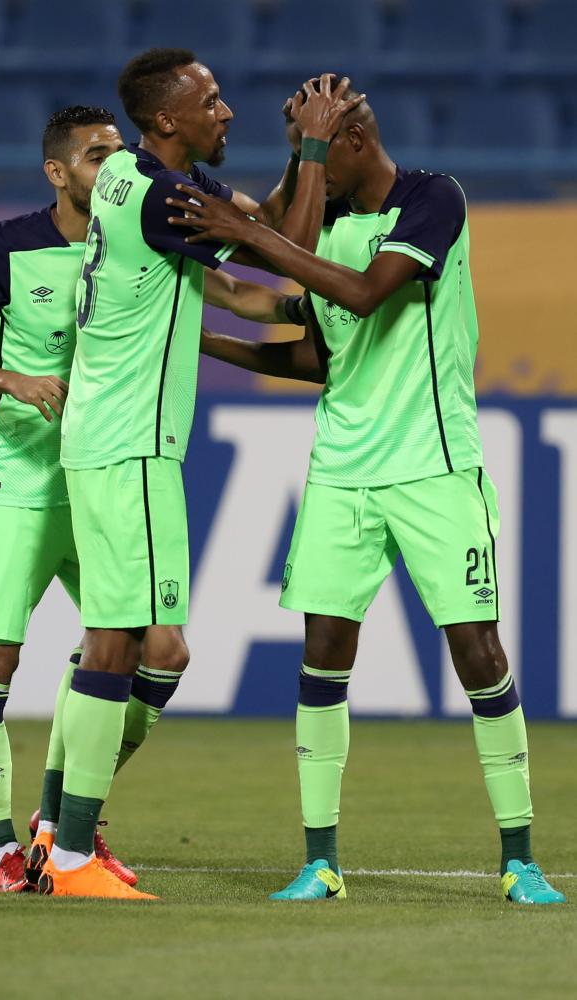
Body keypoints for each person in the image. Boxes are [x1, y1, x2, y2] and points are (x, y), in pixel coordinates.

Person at [169, 86, 566, 906]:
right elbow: (318, 357)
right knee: (321, 656)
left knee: (478, 654)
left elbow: (360, 294)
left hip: (433, 467)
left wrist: (248, 232)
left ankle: (519, 858)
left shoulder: (433, 199)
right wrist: (202, 339)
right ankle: (320, 862)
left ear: (351, 139)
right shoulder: (332, 231)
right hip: (341, 471)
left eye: (309, 146)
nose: (302, 163)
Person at [0, 104, 301, 896]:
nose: (112, 167)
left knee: (158, 651)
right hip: (21, 483)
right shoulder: (3, 247)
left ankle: (59, 819)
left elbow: (244, 278)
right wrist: (12, 380)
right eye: (94, 156)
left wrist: (327, 303)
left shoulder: (149, 232)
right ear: (57, 172)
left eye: (116, 152)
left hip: (100, 474)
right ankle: (1, 848)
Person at [41, 48, 360, 899]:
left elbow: (255, 244)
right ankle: (70, 853)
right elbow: (289, 248)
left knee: (135, 641)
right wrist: (318, 147)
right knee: (125, 641)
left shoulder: (134, 181)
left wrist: (297, 154)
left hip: (107, 438)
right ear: (166, 122)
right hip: (130, 442)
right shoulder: (162, 196)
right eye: (210, 101)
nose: (226, 112)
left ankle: (55, 832)